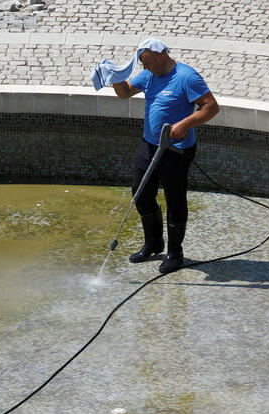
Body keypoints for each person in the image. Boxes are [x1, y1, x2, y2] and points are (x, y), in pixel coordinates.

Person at [92, 39, 220, 273]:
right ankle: (153, 243)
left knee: (175, 199)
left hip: (176, 149)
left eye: (148, 63)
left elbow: (211, 107)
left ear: (160, 55)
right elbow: (125, 93)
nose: (146, 69)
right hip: (149, 144)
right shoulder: (149, 74)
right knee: (140, 194)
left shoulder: (186, 77)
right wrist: (114, 76)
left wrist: (185, 124)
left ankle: (174, 253)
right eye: (143, 65)